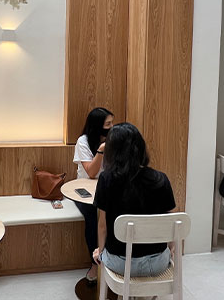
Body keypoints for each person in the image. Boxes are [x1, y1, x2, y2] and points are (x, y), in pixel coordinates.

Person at [92, 123, 176, 277]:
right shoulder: (161, 179)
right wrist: (170, 247)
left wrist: (101, 251)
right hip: (157, 263)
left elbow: (102, 226)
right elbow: (170, 222)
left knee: (98, 253)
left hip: (120, 263)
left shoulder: (106, 179)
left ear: (111, 151)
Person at [73, 107, 114, 283]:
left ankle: (115, 258)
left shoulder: (115, 138)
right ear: (98, 126)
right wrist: (102, 150)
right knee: (92, 214)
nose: (112, 127)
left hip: (108, 187)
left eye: (113, 122)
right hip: (85, 189)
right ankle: (95, 262)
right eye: (108, 124)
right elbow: (90, 172)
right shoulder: (83, 142)